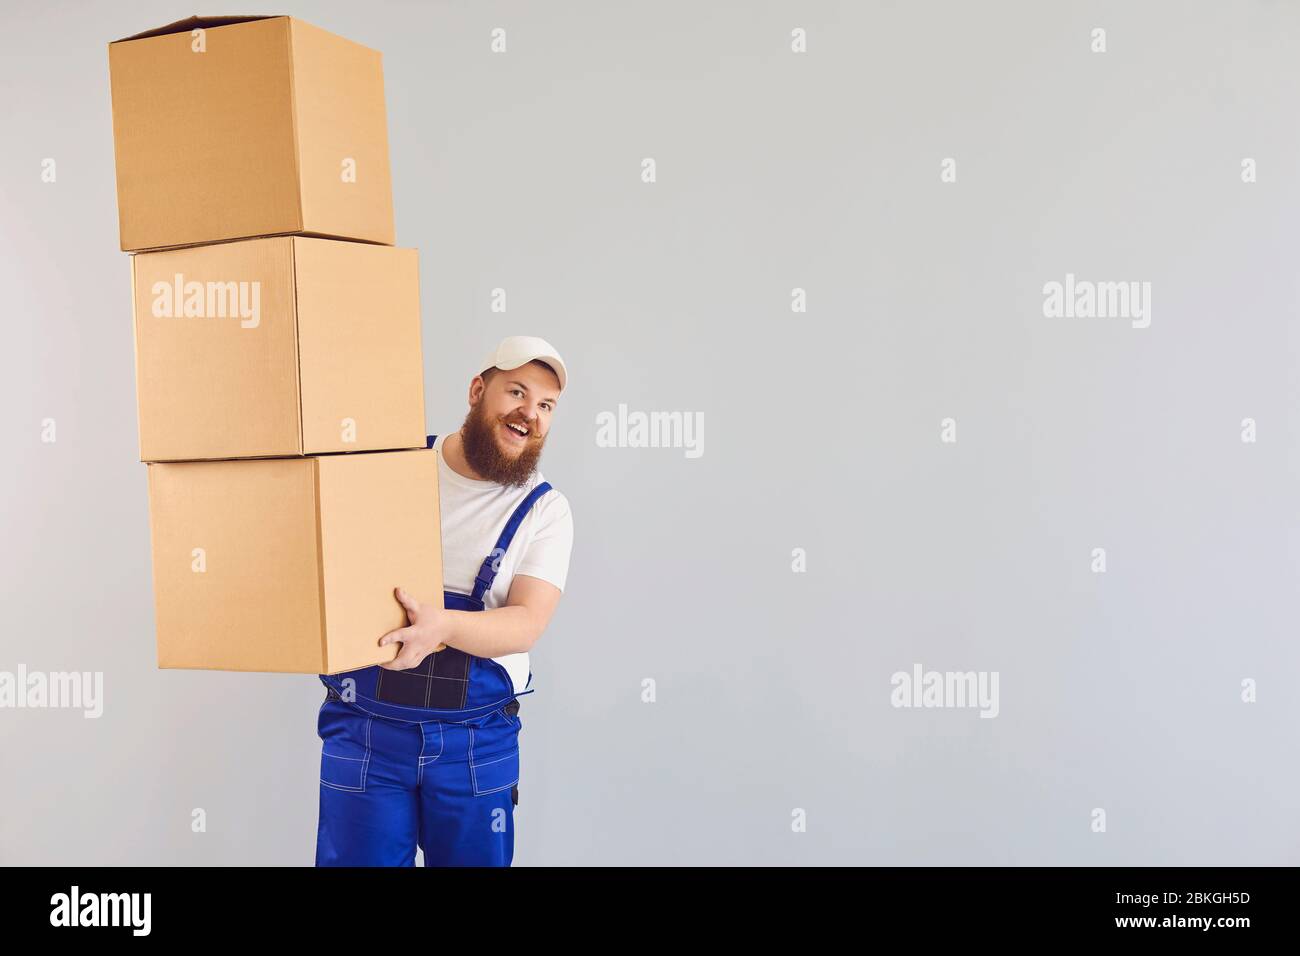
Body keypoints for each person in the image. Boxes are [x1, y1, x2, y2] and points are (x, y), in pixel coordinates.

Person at [315, 335, 574, 866]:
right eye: (517, 392)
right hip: (366, 733)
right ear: (478, 390)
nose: (530, 413)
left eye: (545, 405)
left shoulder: (546, 511)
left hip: (475, 747)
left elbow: (526, 622)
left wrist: (441, 628)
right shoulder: (395, 464)